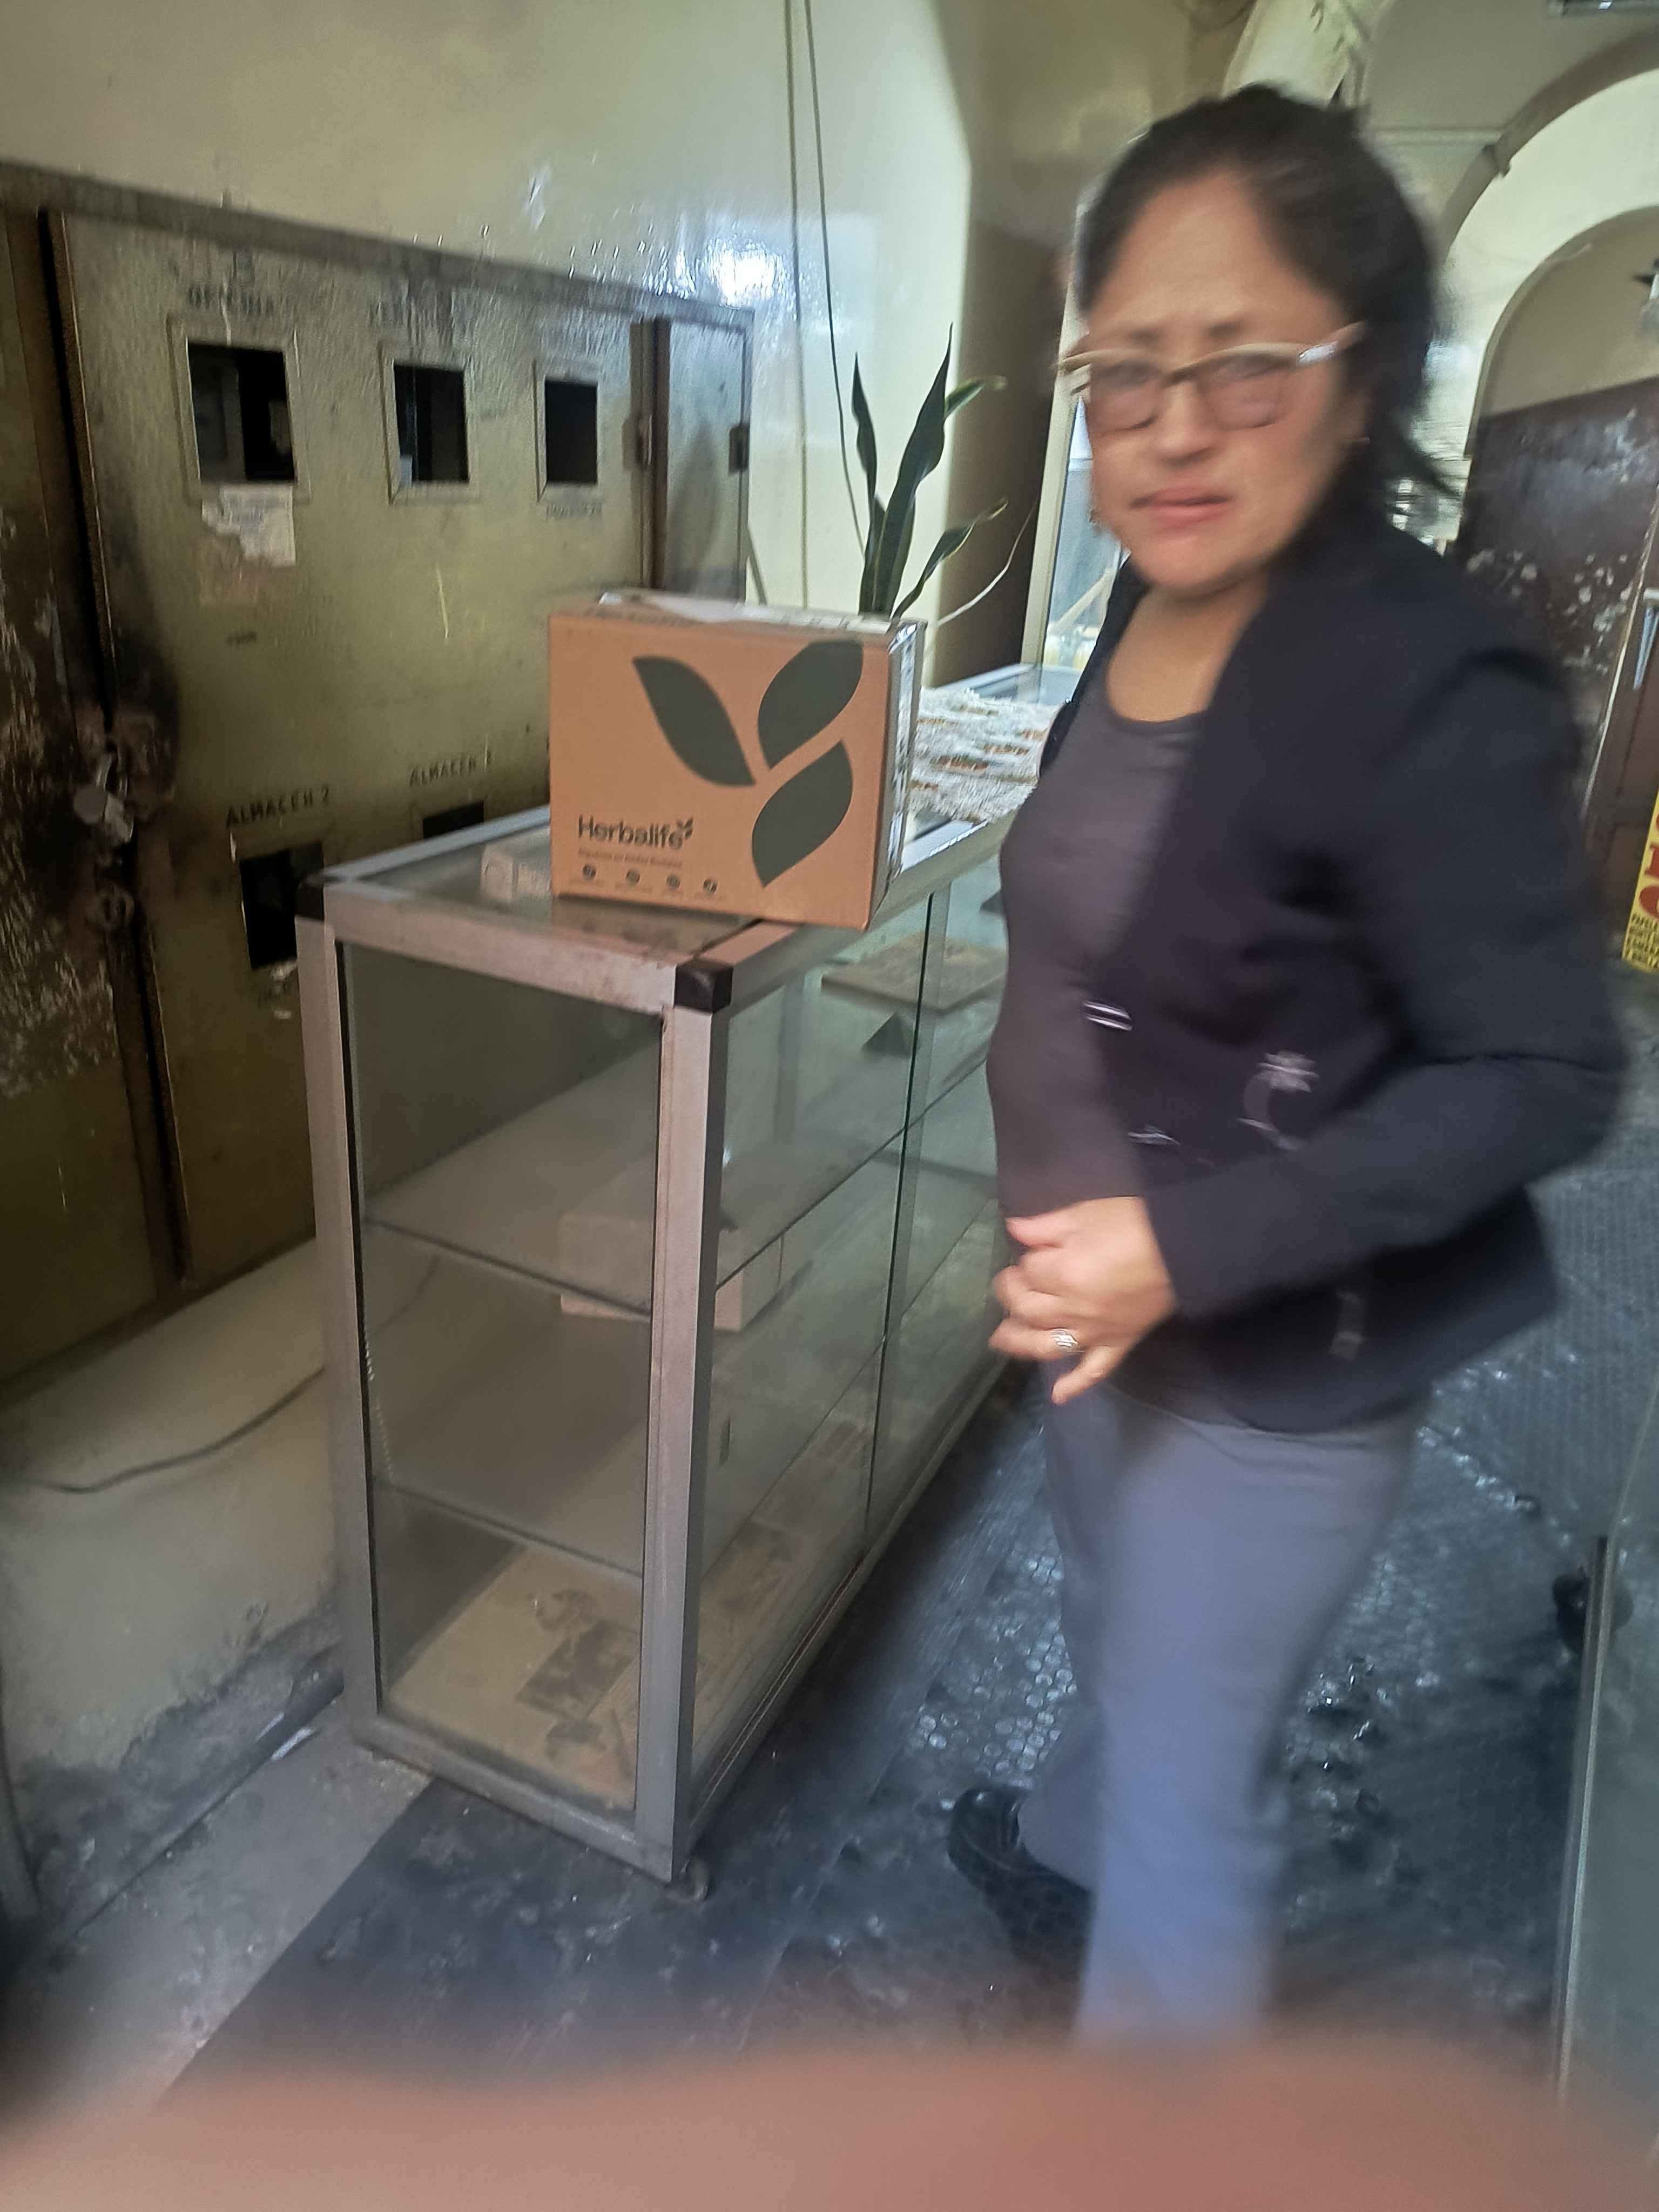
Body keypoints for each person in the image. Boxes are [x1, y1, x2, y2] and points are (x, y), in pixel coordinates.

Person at [949, 87, 1624, 2037]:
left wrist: (1180, 1246)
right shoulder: (1146, 600)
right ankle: (1063, 1858)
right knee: (1117, 1640)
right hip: (1099, 1313)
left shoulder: (1427, 679)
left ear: (1364, 380)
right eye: (1125, 371)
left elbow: (1546, 1072)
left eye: (1244, 365)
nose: (1173, 427)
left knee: (1194, 1806)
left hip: (1271, 1375)